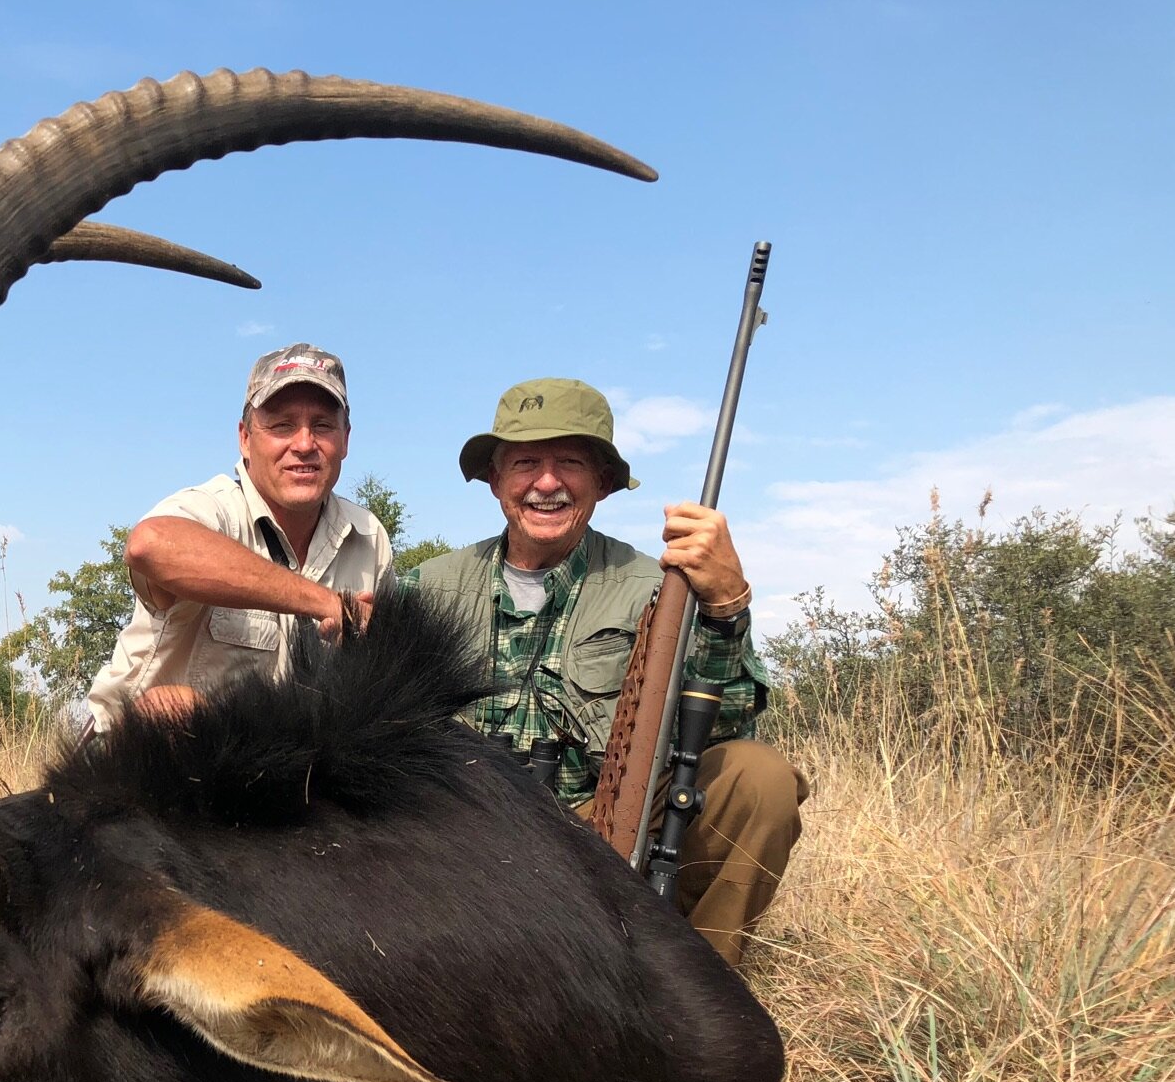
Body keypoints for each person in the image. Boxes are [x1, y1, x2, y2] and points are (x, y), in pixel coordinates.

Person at [403, 377, 801, 968]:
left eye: (569, 463)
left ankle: (703, 988)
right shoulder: (424, 587)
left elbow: (725, 725)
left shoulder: (659, 588)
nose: (546, 482)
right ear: (494, 480)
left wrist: (725, 606)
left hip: (606, 830)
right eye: (525, 462)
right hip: (464, 839)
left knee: (757, 777)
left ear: (603, 484)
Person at [83, 343, 392, 732]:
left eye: (323, 426)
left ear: (345, 439)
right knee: (172, 709)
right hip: (148, 771)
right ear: (245, 438)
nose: (303, 444)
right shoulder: (213, 510)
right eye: (281, 425)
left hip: (287, 772)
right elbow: (150, 544)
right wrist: (330, 604)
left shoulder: (369, 536)